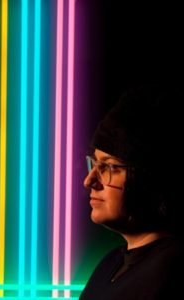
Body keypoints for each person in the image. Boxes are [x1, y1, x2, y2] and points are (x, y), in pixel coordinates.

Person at [79, 85, 184, 300]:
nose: (89, 181)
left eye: (110, 167)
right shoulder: (109, 264)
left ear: (148, 179)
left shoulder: (175, 273)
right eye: (94, 164)